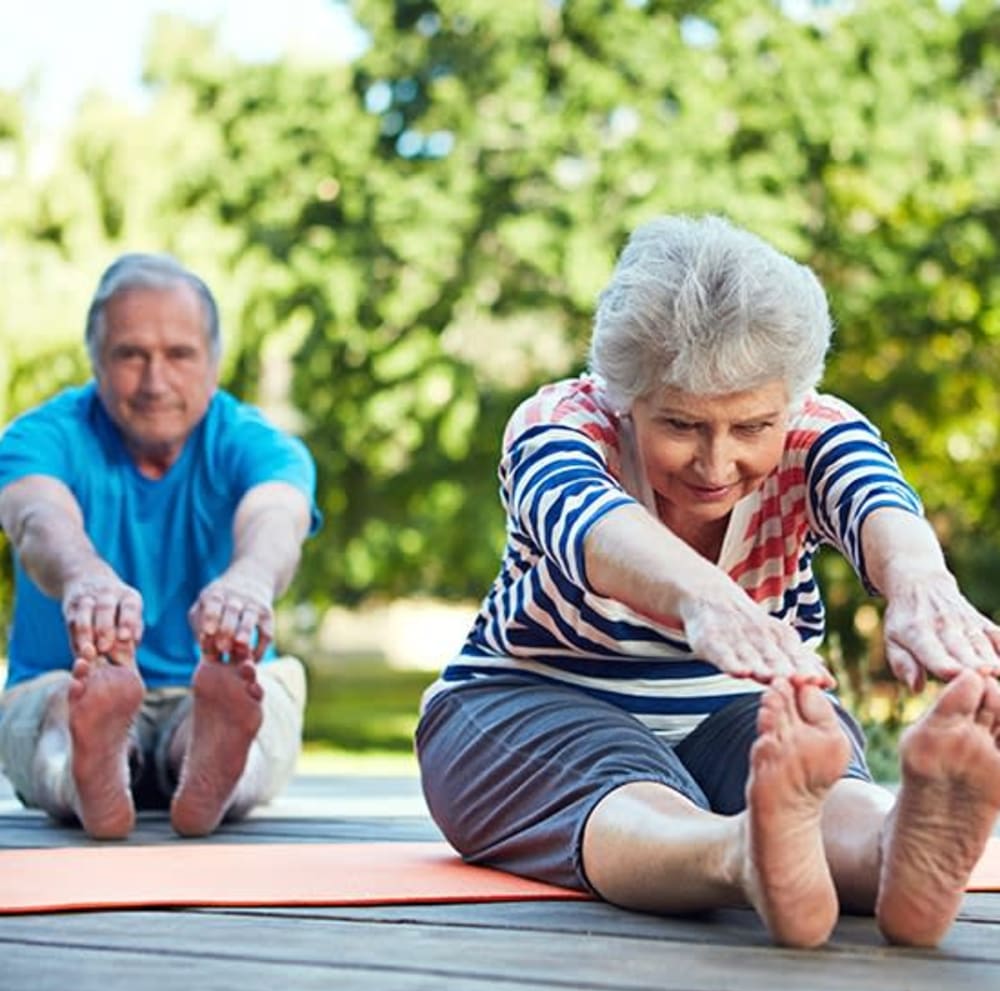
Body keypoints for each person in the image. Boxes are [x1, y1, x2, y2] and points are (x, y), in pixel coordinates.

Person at [416, 214, 1000, 949]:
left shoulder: (819, 430)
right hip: (535, 701)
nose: (717, 465)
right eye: (683, 426)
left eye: (753, 427)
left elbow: (878, 503)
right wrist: (708, 602)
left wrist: (923, 592)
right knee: (622, 780)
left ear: (791, 400)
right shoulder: (559, 424)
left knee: (807, 765)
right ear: (625, 399)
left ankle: (889, 853)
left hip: (739, 711)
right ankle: (741, 854)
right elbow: (594, 524)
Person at [0, 252, 320, 840]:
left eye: (178, 355)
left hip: (218, 678)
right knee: (57, 717)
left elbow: (278, 517)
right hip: (67, 678)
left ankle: (210, 759)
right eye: (130, 355)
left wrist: (248, 580)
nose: (155, 382)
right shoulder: (39, 437)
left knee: (250, 708)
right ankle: (91, 764)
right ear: (95, 357)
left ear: (215, 361)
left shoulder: (258, 444)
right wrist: (84, 577)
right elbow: (38, 518)